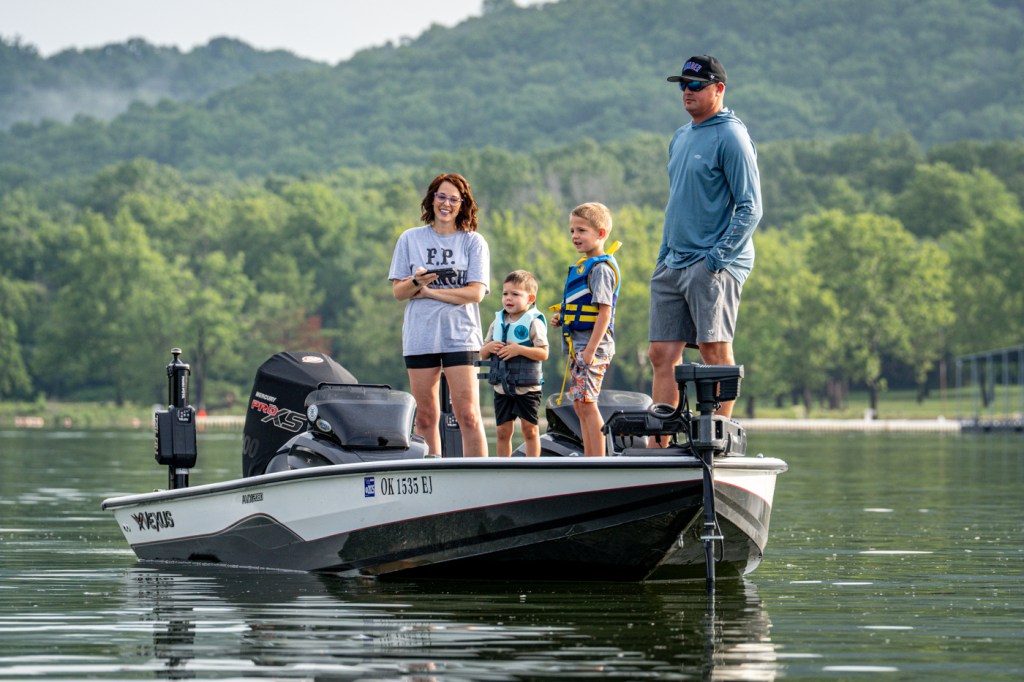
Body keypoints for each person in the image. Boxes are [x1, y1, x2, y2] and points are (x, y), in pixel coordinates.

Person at [648, 54, 762, 428]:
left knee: (714, 350)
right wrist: (664, 256)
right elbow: (677, 202)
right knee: (661, 353)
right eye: (683, 85)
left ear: (719, 89)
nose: (687, 91)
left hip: (712, 264)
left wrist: (715, 260)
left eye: (696, 85)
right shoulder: (680, 136)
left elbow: (751, 208)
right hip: (673, 261)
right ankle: (660, 444)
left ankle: (719, 437)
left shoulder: (731, 137)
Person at [389, 172, 490, 457]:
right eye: (441, 196)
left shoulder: (473, 242)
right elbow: (399, 292)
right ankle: (433, 474)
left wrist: (430, 292)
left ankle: (479, 476)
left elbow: (475, 293)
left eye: (453, 199)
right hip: (421, 335)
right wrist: (417, 281)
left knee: (468, 415)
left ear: (463, 204)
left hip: (461, 336)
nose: (446, 204)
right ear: (432, 199)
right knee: (424, 417)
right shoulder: (410, 239)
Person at [551, 203, 619, 457]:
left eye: (581, 230)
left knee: (587, 404)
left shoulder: (601, 269)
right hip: (579, 346)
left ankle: (597, 461)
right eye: (572, 230)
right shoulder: (585, 265)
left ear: (601, 233)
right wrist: (563, 317)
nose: (575, 236)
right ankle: (589, 457)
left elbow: (604, 313)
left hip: (593, 348)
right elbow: (584, 307)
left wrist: (590, 350)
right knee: (580, 405)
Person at [480, 270, 549, 457]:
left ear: (530, 298)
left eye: (515, 294)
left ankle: (532, 466)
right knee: (502, 432)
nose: (508, 298)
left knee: (529, 430)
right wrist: (490, 347)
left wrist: (519, 350)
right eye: (505, 293)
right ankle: (504, 467)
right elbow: (482, 353)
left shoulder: (534, 323)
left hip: (528, 389)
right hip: (502, 388)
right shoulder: (497, 322)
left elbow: (544, 353)